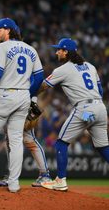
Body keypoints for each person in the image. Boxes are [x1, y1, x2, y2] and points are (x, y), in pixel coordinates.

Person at [0, 18, 44, 193]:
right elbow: (39, 77)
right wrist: (27, 94)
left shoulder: (2, 47)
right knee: (16, 140)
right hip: (23, 95)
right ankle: (14, 183)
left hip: (4, 94)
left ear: (8, 30)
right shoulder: (31, 49)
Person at [38, 38, 109, 191]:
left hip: (84, 109)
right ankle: (60, 180)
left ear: (66, 52)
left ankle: (60, 180)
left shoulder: (63, 69)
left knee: (61, 142)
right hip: (99, 109)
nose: (57, 52)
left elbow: (43, 86)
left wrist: (29, 93)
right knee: (103, 147)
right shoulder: (91, 66)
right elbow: (101, 91)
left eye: (59, 49)